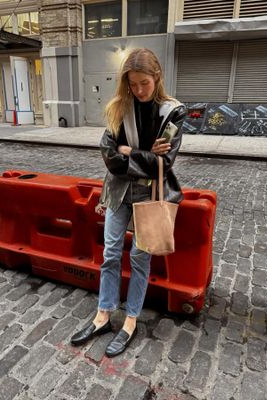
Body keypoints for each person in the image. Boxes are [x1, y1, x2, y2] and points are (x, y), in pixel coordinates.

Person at [71, 48, 186, 357]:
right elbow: (108, 154)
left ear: (157, 77)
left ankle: (131, 321)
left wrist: (128, 151)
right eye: (132, 83)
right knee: (110, 253)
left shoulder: (172, 112)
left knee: (139, 258)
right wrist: (144, 153)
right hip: (119, 192)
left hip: (151, 194)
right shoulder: (118, 108)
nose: (138, 90)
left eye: (144, 83)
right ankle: (103, 316)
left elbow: (165, 161)